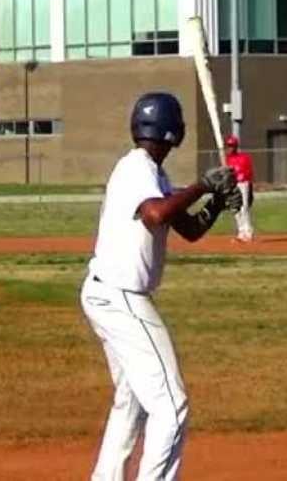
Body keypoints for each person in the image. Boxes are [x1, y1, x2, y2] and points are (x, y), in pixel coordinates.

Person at [81, 92, 242, 481]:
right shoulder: (137, 168)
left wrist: (216, 202)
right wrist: (203, 184)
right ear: (176, 132)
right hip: (122, 299)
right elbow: (156, 214)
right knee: (171, 406)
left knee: (131, 400)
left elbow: (188, 229)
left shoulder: (152, 173)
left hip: (106, 294)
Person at [225, 135, 254, 242]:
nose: (230, 148)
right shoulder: (228, 159)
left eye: (232, 146)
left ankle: (248, 232)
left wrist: (243, 176)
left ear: (236, 146)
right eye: (229, 146)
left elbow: (249, 171)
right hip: (232, 185)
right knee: (234, 209)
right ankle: (241, 232)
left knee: (244, 207)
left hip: (243, 184)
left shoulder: (244, 157)